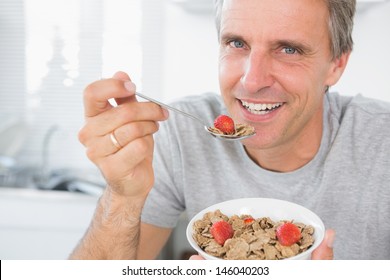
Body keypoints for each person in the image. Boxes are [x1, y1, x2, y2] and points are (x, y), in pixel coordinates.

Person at [70, 0, 390, 260]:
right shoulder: (177, 132)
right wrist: (123, 197)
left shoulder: (382, 143)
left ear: (336, 65)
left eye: (288, 49)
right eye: (237, 43)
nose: (252, 80)